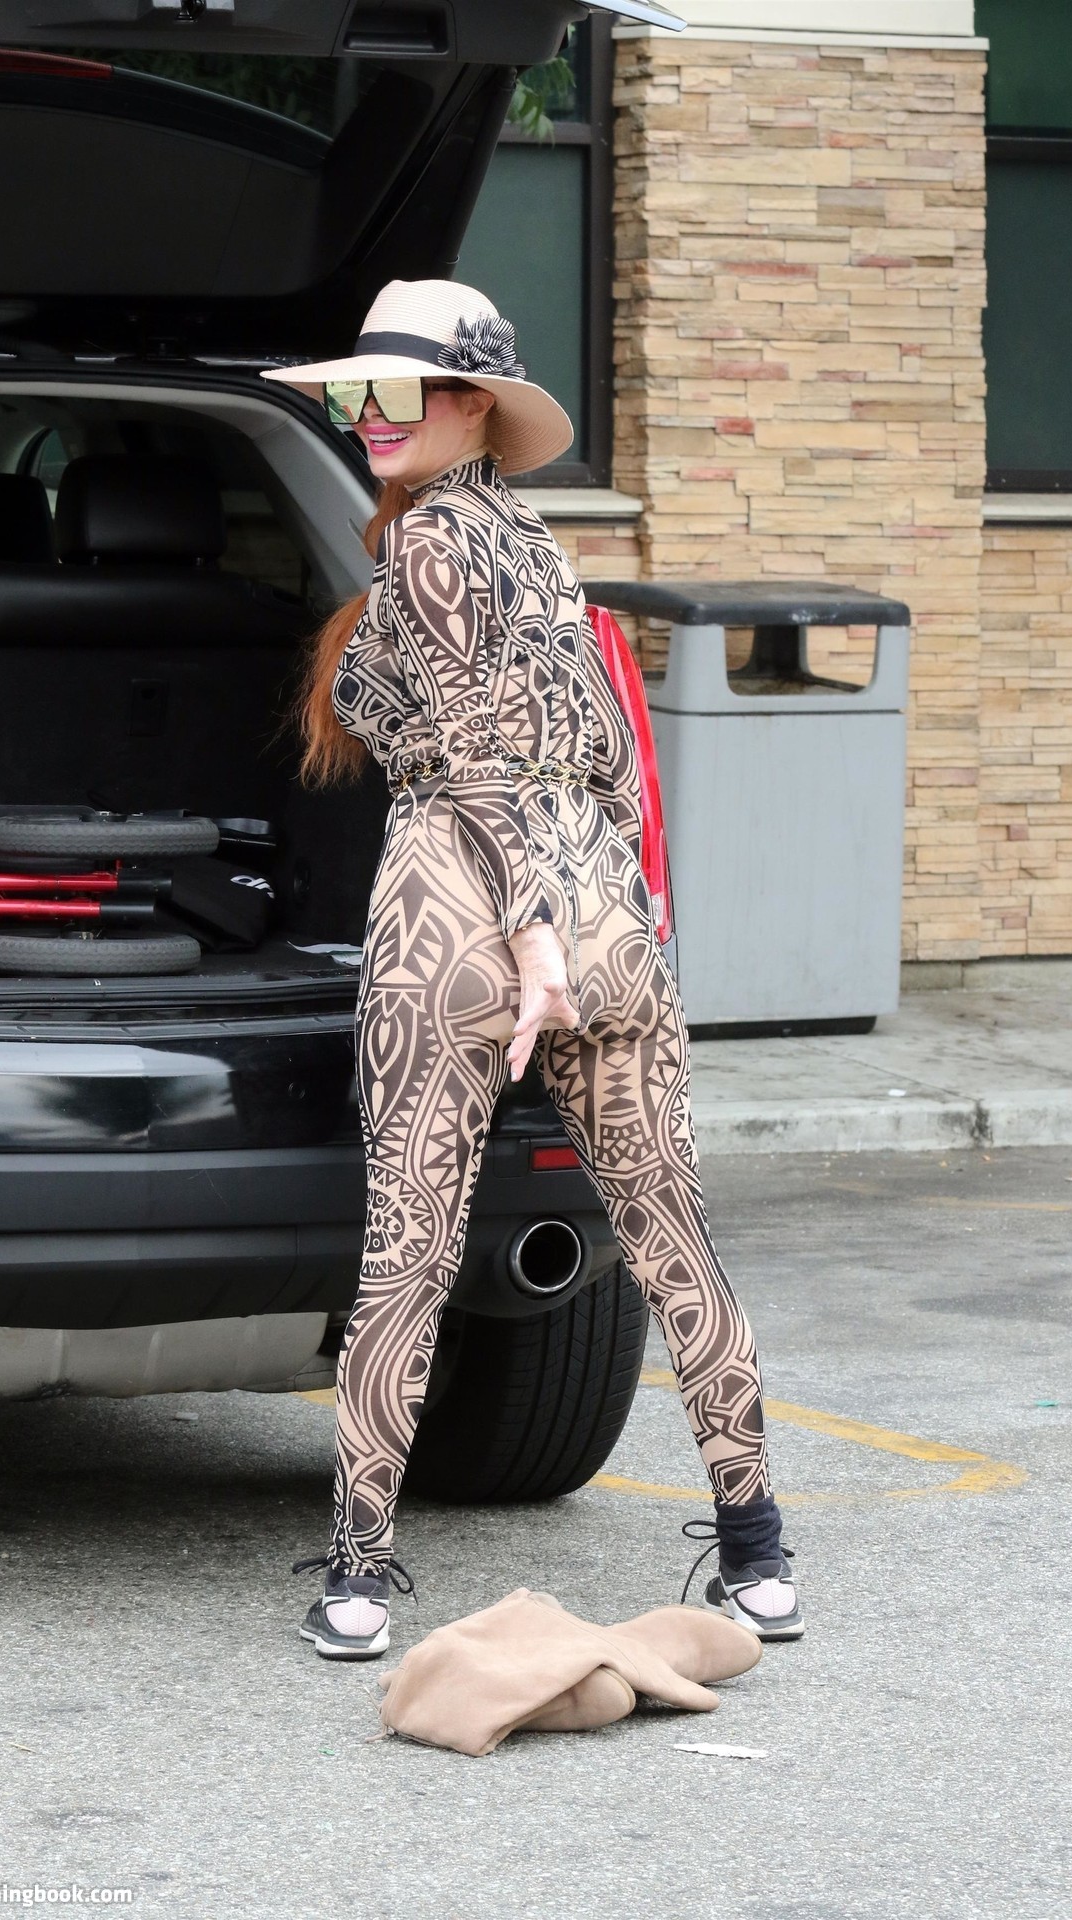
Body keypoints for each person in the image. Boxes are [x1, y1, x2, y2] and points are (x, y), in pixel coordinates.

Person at [262, 280, 802, 1660]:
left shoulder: (425, 544)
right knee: (674, 1235)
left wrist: (533, 937)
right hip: (603, 903)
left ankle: (359, 1577)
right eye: (357, 392)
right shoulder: (541, 549)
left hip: (463, 910)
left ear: (472, 405)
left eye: (398, 390)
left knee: (409, 1252)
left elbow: (473, 759)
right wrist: (602, 913)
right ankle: (757, 1556)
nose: (369, 414)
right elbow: (609, 756)